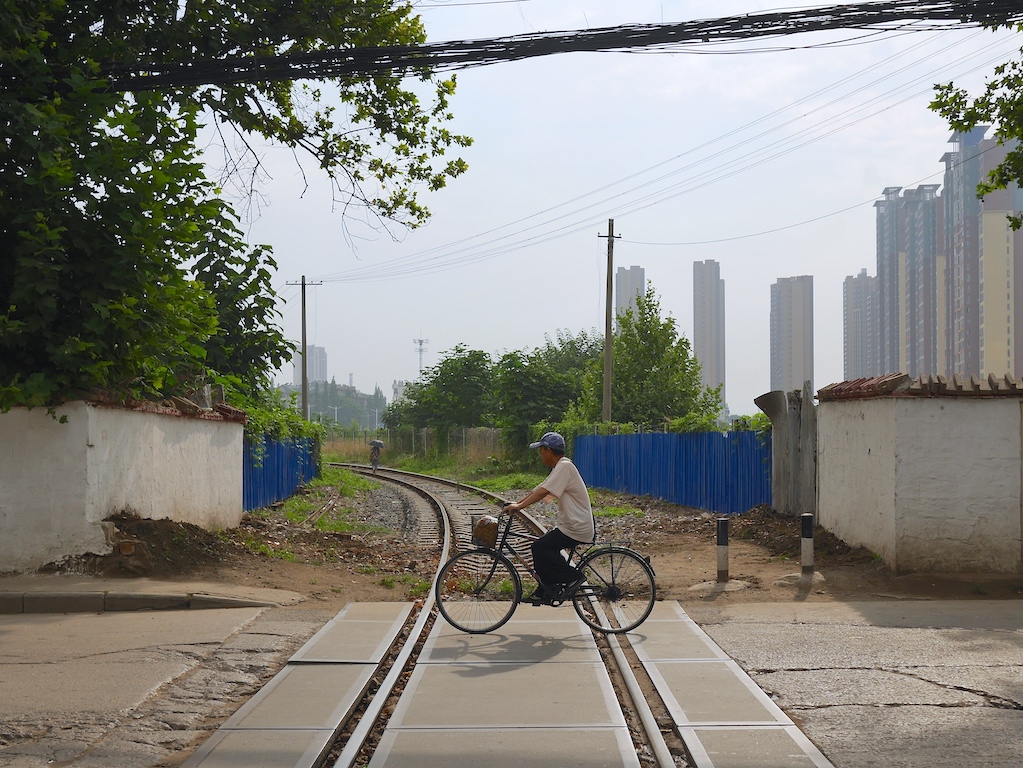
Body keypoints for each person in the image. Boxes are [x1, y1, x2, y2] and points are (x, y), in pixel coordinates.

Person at [503, 431, 595, 606]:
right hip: (571, 524)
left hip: (576, 527)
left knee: (540, 547)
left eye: (541, 450)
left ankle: (572, 578)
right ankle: (546, 588)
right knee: (542, 548)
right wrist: (518, 503)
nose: (540, 454)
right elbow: (541, 489)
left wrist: (520, 507)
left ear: (548, 450)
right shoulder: (560, 467)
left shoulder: (565, 467)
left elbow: (543, 492)